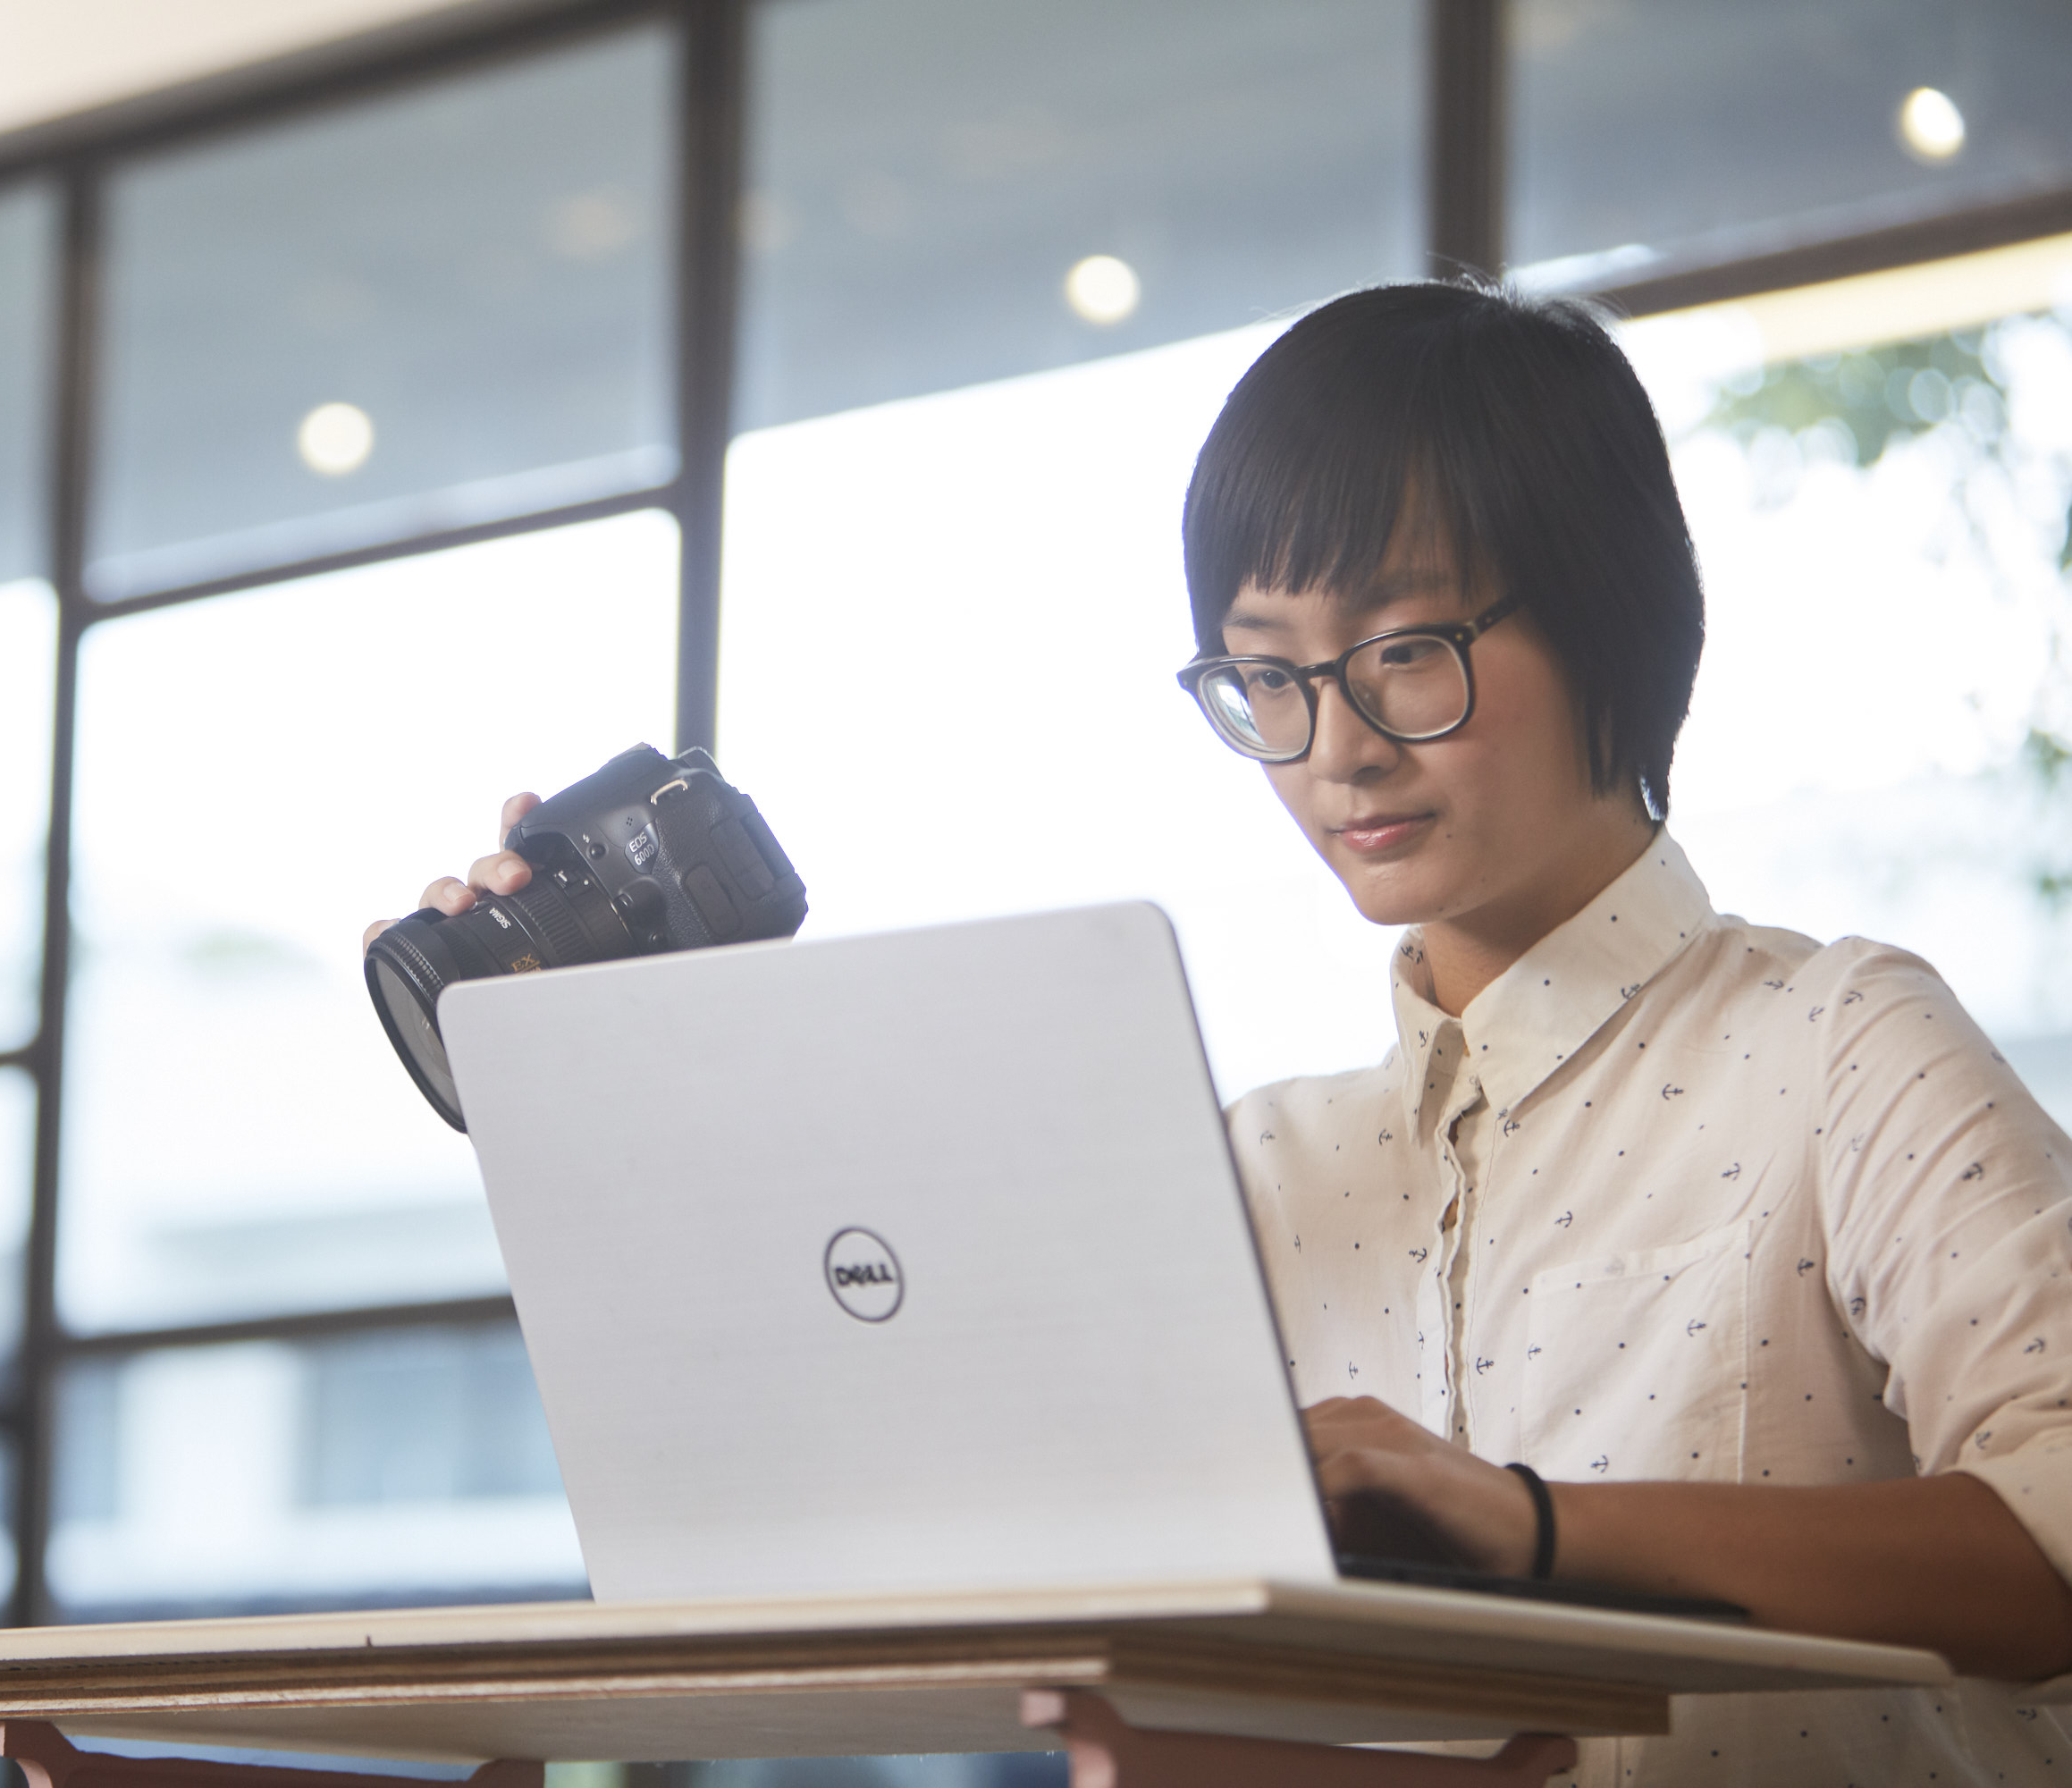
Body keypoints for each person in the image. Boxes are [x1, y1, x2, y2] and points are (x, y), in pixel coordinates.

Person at [366, 282, 2072, 1784]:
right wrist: (609, 1073)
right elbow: (885, 1500)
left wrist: (1533, 1531)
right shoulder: (1259, 1166)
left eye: (1408, 650)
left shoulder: (1844, 1042)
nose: (1336, 744)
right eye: (1265, 676)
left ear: (1612, 613)